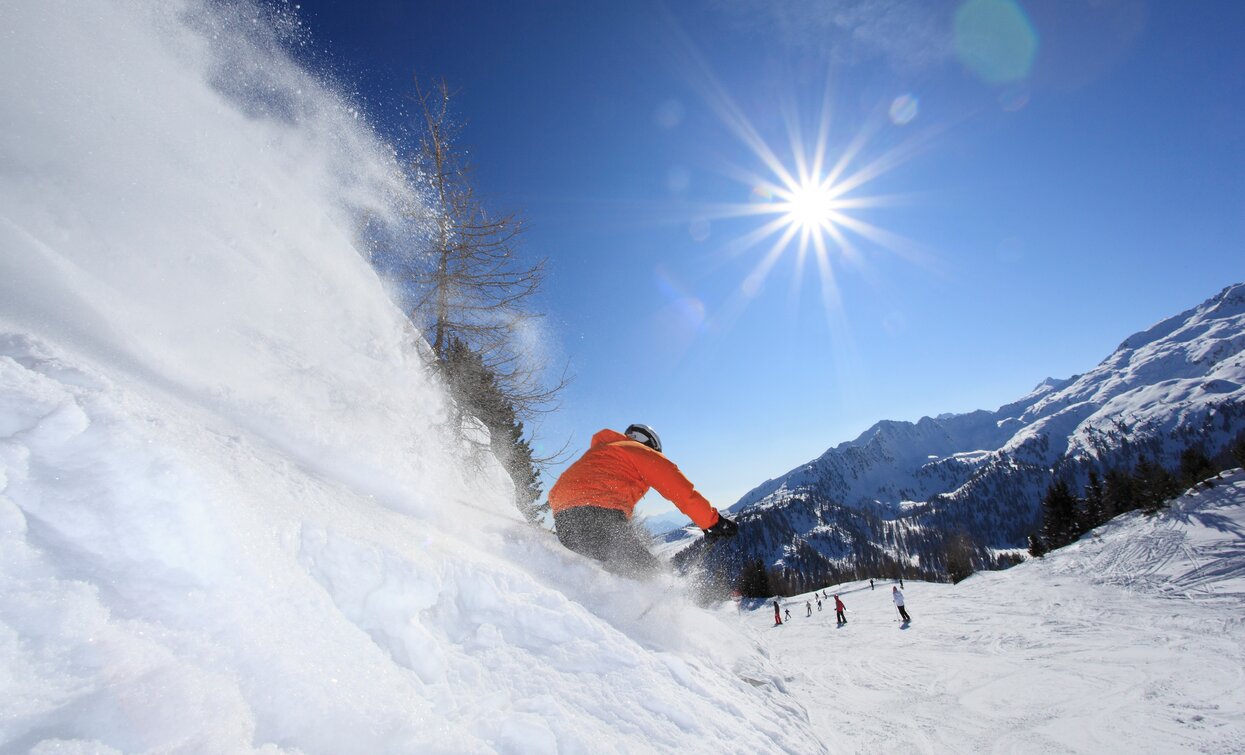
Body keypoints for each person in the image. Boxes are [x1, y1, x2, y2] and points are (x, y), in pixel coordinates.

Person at [548, 424, 737, 578]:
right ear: (649, 444)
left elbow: (561, 492)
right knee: (649, 572)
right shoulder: (638, 451)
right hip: (599, 518)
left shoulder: (602, 453)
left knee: (619, 567)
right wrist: (712, 522)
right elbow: (680, 489)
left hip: (565, 526)